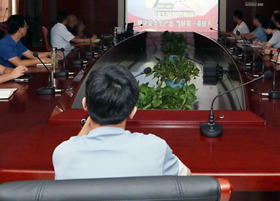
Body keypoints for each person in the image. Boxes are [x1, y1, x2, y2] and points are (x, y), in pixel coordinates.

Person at [53, 65, 191, 179]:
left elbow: (75, 146)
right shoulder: (156, 148)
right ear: (132, 112)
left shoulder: (63, 153)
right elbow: (187, 177)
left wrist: (90, 119)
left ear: (84, 104)